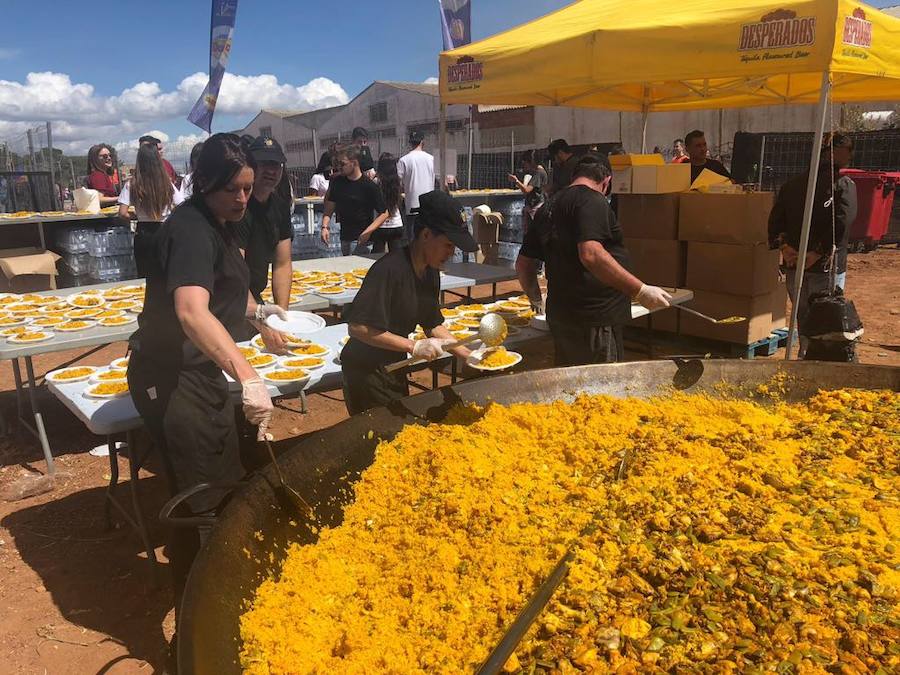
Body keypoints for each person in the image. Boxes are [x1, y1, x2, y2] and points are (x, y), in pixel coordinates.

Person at [126, 133, 286, 655]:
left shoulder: (219, 225)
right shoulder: (190, 230)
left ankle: (221, 593)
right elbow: (192, 311)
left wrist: (260, 316)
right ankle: (192, 641)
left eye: (246, 189)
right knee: (200, 498)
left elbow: (227, 292)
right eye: (232, 190)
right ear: (207, 185)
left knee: (222, 481)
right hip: (169, 374)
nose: (243, 199)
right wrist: (247, 374)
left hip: (198, 373)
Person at [516, 155, 672, 366]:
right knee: (600, 386)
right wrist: (640, 290)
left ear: (574, 177)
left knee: (569, 383)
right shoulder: (593, 201)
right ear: (606, 181)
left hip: (562, 315)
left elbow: (524, 264)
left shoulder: (548, 207)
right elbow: (591, 254)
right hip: (596, 319)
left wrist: (535, 299)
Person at [340, 190, 476, 414]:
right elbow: (358, 327)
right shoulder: (389, 270)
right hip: (366, 370)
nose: (451, 253)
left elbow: (433, 324)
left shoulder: (430, 271)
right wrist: (413, 346)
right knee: (380, 434)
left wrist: (468, 355)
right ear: (425, 235)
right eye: (448, 245)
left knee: (400, 426)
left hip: (394, 363)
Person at [768, 132, 857, 355]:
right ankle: (817, 359)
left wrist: (786, 249)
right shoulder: (842, 186)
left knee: (804, 314)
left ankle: (805, 355)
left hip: (795, 264)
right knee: (826, 318)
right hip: (823, 266)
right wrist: (817, 253)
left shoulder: (792, 185)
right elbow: (843, 223)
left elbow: (775, 221)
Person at [234, 136, 294, 349]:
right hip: (230, 300)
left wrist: (280, 317)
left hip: (253, 296)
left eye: (276, 164)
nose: (271, 171)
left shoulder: (279, 207)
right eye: (264, 164)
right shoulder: (238, 208)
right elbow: (235, 273)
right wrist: (261, 320)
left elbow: (282, 264)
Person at [117, 145, 185, 277]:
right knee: (167, 272)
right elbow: (181, 204)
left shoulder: (132, 184)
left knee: (145, 275)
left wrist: (136, 215)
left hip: (143, 232)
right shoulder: (166, 183)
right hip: (165, 229)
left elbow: (122, 212)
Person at [321, 145, 388, 255]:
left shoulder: (369, 186)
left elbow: (384, 213)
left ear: (354, 163)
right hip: (344, 237)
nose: (339, 167)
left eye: (343, 164)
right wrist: (324, 227)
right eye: (338, 164)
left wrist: (368, 232)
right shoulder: (338, 182)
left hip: (362, 240)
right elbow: (329, 207)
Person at [397, 130, 435, 243]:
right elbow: (443, 180)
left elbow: (397, 184)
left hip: (412, 206)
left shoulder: (403, 160)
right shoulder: (432, 159)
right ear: (423, 142)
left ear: (410, 143)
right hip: (429, 206)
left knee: (413, 242)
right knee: (428, 240)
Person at [369, 153, 405, 253]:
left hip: (381, 224)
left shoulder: (377, 182)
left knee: (377, 257)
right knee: (396, 257)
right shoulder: (397, 181)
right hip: (396, 223)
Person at [509, 149, 548, 235]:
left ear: (531, 162)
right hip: (536, 205)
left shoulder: (538, 173)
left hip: (535, 207)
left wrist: (516, 181)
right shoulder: (538, 172)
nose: (524, 165)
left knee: (532, 233)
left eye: (525, 162)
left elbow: (526, 190)